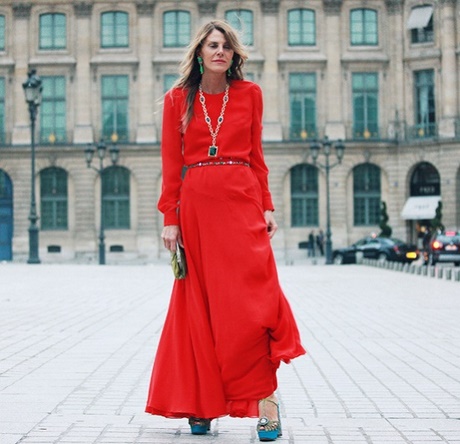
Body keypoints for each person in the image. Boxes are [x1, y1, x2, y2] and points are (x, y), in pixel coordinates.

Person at [145, 20, 306, 442]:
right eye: (213, 45)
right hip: (198, 208)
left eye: (227, 47)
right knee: (201, 307)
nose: (220, 52)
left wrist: (267, 205)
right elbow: (169, 164)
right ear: (200, 52)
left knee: (254, 303)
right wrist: (170, 216)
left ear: (235, 56)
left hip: (243, 200)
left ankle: (266, 401)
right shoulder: (177, 99)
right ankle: (201, 403)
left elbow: (257, 155)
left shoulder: (250, 95)